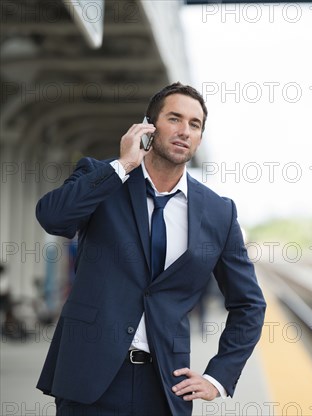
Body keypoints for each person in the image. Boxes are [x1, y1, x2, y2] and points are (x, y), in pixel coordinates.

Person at [35, 82, 266, 415]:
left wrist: (218, 377)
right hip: (89, 380)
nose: (184, 131)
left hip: (165, 387)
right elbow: (53, 217)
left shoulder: (219, 212)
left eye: (195, 124)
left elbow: (249, 303)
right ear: (148, 125)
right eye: (174, 118)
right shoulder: (103, 177)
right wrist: (122, 166)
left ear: (200, 138)